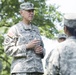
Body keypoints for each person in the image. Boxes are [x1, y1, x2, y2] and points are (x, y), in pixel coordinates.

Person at [3, 2, 45, 75]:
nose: (31, 13)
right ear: (21, 13)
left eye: (32, 11)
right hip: (21, 71)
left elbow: (42, 47)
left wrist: (41, 51)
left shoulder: (36, 29)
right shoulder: (15, 29)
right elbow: (8, 49)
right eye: (29, 11)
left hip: (37, 70)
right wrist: (26, 47)